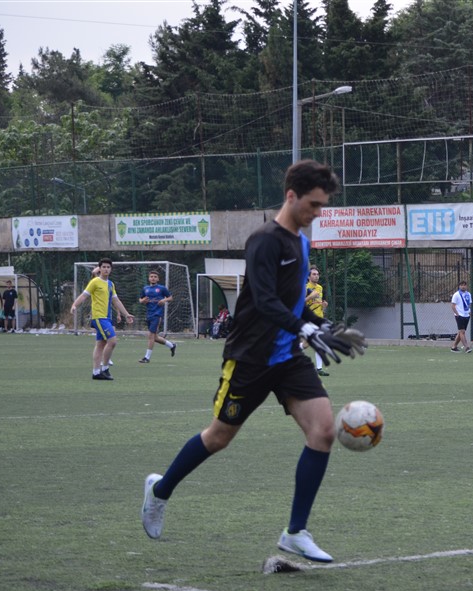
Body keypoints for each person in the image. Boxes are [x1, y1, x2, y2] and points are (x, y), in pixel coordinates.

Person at [140, 160, 367, 564]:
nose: (318, 213)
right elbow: (264, 301)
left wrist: (323, 326)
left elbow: (291, 303)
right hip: (249, 358)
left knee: (322, 431)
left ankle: (295, 532)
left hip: (288, 357)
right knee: (218, 437)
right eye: (314, 204)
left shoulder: (300, 242)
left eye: (322, 206)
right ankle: (160, 490)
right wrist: (306, 329)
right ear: (291, 195)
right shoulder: (264, 241)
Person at [70, 258, 135, 380]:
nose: (106, 269)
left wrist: (126, 314)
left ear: (111, 269)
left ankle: (96, 373)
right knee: (113, 341)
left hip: (107, 318)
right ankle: (105, 369)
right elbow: (84, 295)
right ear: (99, 269)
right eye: (103, 267)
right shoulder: (95, 282)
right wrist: (74, 305)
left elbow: (116, 300)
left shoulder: (111, 284)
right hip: (99, 317)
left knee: (100, 344)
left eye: (108, 267)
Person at [138, 271, 177, 363]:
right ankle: (171, 345)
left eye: (155, 276)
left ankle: (147, 358)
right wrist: (142, 301)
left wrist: (164, 300)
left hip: (157, 315)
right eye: (151, 276)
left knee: (151, 336)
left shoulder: (161, 288)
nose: (153, 278)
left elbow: (170, 297)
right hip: (149, 314)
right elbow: (140, 299)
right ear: (149, 278)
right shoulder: (145, 288)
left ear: (158, 279)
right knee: (155, 337)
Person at [305, 267, 330, 376]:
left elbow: (318, 304)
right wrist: (310, 296)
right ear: (308, 276)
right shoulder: (305, 288)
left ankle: (319, 369)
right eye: (314, 274)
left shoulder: (320, 288)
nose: (316, 276)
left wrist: (324, 306)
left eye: (317, 274)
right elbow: (300, 303)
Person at [450, 280, 473, 353]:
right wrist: (457, 314)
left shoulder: (468, 294)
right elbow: (453, 305)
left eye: (464, 285)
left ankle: (454, 347)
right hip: (460, 315)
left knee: (461, 332)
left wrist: (469, 312)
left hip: (466, 315)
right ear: (459, 286)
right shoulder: (456, 294)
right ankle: (467, 347)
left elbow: (469, 304)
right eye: (461, 285)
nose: (463, 286)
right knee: (462, 331)